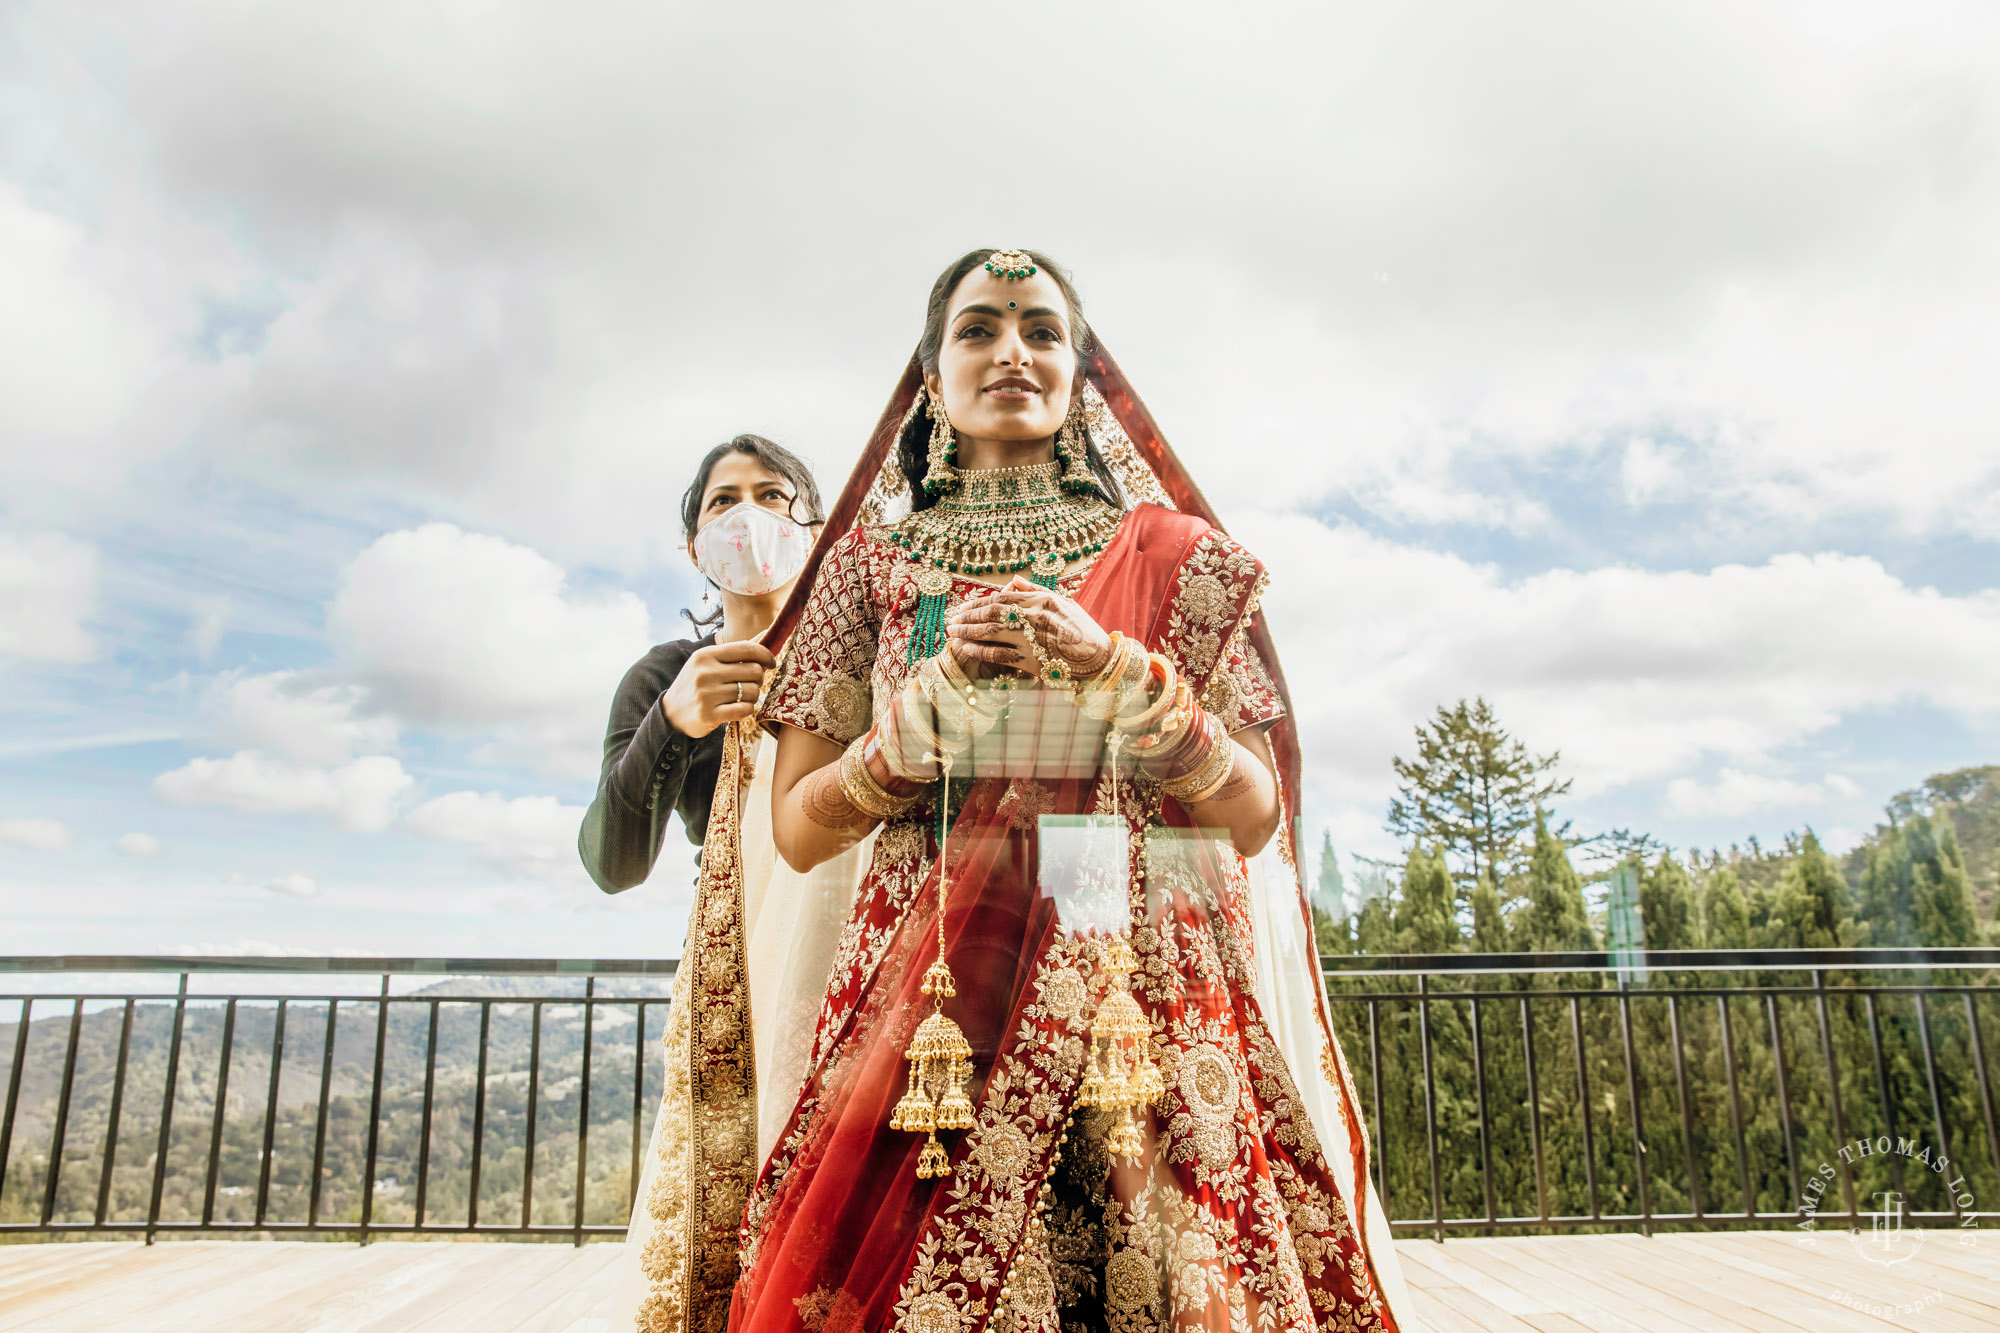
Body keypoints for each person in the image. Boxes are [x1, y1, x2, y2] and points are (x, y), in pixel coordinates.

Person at [630, 250, 1414, 1333]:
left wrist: (1121, 674)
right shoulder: (869, 565)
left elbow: (1250, 813)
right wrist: (923, 715)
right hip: (929, 1009)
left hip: (1140, 1009)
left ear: (1081, 372)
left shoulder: (1171, 555)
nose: (1011, 351)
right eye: (979, 328)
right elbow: (799, 829)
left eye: (1042, 331)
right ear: (931, 373)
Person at [578, 434, 821, 893]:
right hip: (729, 941)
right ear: (695, 549)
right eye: (723, 501)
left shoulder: (866, 653)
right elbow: (612, 867)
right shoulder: (663, 677)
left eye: (771, 495)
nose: (747, 516)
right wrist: (669, 722)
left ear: (813, 534)